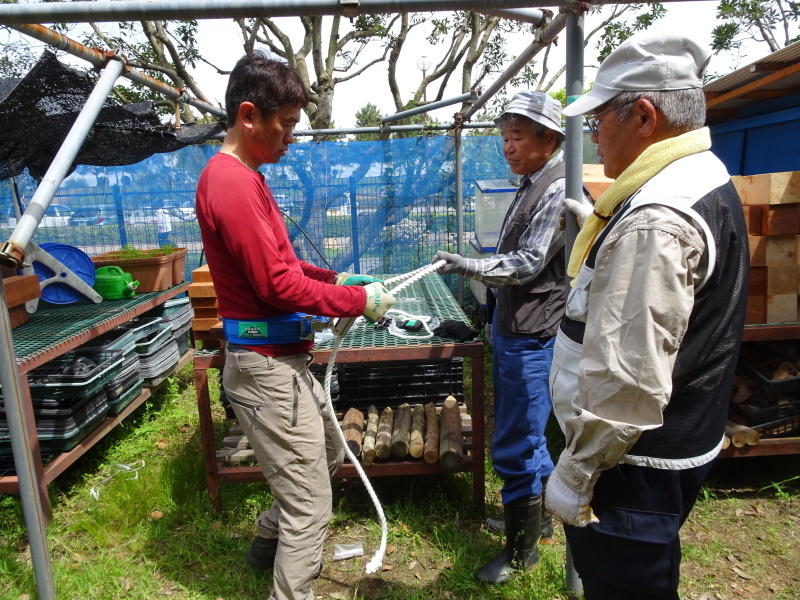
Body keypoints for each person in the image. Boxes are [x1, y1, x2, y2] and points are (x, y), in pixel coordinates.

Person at [546, 29, 749, 600]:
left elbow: (627, 376)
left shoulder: (655, 220)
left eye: (598, 120)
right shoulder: (698, 175)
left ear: (643, 116)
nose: (592, 135)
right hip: (676, 438)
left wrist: (578, 471)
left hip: (629, 464)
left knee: (625, 585)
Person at [195, 51, 395, 600]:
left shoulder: (245, 177)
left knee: (328, 453)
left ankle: (266, 542)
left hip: (281, 361)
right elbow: (276, 287)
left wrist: (336, 277)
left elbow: (283, 263)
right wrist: (352, 301)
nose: (290, 138)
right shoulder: (231, 184)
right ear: (249, 115)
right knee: (311, 504)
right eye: (285, 125)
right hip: (265, 370)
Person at [433, 90, 590, 585]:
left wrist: (470, 266)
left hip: (533, 334)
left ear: (550, 137)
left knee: (517, 441)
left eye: (516, 137)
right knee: (527, 436)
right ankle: (538, 522)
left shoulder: (557, 189)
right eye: (504, 137)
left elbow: (526, 264)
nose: (507, 146)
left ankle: (522, 555)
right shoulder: (531, 183)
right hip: (515, 329)